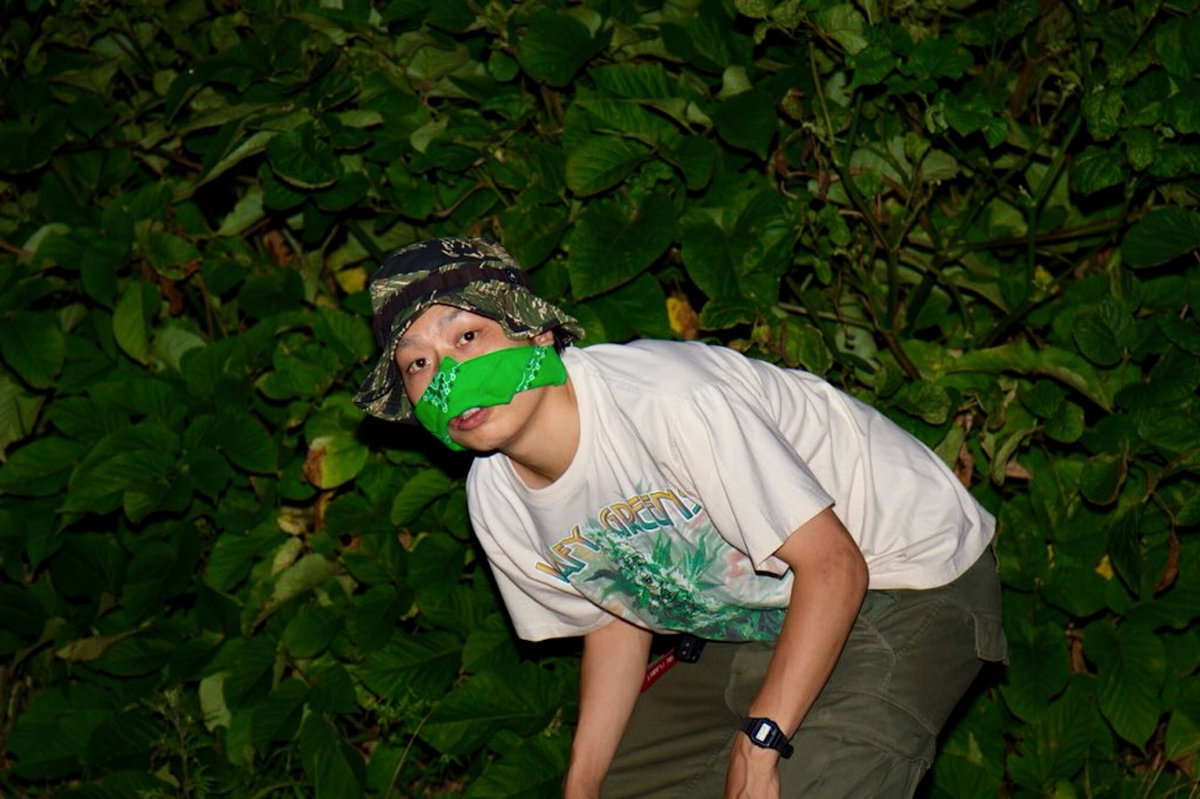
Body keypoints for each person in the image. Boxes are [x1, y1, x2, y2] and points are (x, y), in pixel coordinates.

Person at [354, 236, 1007, 799]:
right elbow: (615, 613)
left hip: (905, 575)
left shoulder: (667, 400)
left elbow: (835, 565)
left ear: (538, 333)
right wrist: (582, 784)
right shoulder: (496, 500)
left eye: (467, 336)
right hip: (756, 613)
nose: (447, 377)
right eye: (418, 362)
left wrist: (761, 741)